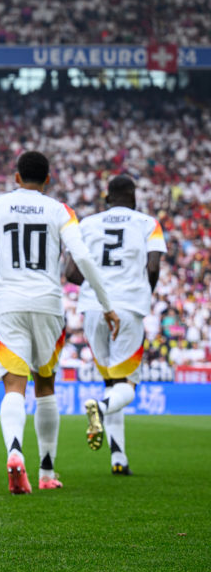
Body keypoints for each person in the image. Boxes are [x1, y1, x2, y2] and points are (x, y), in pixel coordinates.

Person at [0, 151, 120, 494]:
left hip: (8, 305)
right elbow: (82, 257)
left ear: (16, 178)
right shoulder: (60, 210)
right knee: (45, 386)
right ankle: (47, 471)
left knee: (14, 386)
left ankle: (15, 452)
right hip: (48, 304)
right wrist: (107, 304)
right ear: (47, 180)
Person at [64, 175, 165, 475]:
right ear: (133, 197)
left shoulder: (87, 224)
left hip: (94, 308)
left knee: (112, 383)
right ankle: (100, 407)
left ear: (107, 197)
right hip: (128, 307)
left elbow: (70, 272)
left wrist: (98, 289)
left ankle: (118, 459)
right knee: (128, 386)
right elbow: (154, 266)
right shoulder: (147, 224)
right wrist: (139, 291)